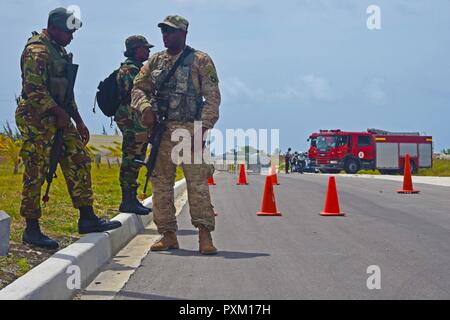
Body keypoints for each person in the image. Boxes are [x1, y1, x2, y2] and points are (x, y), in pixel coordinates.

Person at [15, 8, 121, 250]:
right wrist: (59, 114)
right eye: (67, 31)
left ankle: (87, 217)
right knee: (36, 169)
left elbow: (66, 91)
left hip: (58, 116)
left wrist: (79, 120)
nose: (71, 37)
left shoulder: (58, 50)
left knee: (79, 159)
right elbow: (34, 91)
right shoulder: (37, 51)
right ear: (53, 28)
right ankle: (31, 228)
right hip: (36, 117)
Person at [131, 15, 221, 255]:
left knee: (197, 183)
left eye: (171, 31)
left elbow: (212, 98)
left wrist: (202, 130)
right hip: (162, 131)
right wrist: (145, 107)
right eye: (163, 31)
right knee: (161, 182)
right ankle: (168, 234)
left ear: (183, 33)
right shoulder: (155, 61)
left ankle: (204, 235)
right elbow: (138, 87)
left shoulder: (200, 60)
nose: (166, 35)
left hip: (190, 130)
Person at [115, 36, 154, 216]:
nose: (148, 51)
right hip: (131, 120)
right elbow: (135, 94)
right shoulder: (130, 70)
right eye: (145, 48)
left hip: (137, 121)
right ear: (135, 49)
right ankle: (127, 199)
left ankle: (131, 198)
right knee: (131, 158)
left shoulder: (138, 69)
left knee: (136, 158)